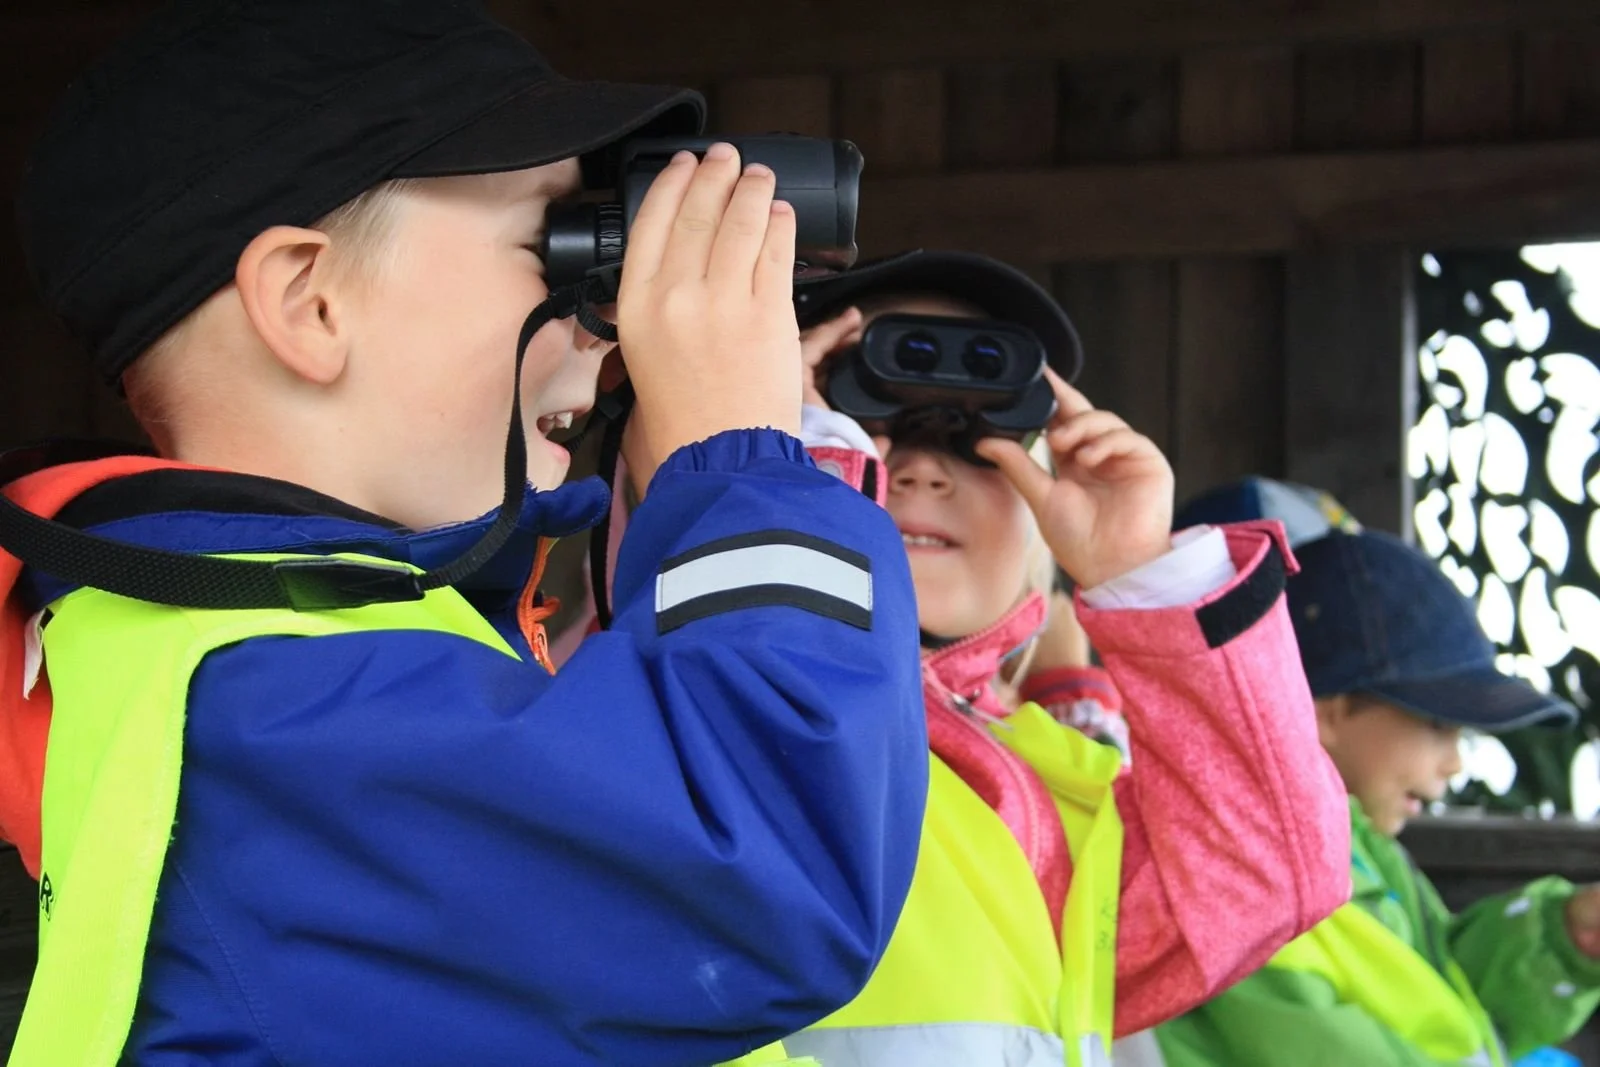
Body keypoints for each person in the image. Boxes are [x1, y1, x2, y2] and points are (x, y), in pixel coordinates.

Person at [0, 3, 930, 1064]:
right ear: (309, 304)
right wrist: (738, 457)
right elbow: (767, 879)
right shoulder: (265, 712)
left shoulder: (266, 657)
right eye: (551, 248)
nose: (602, 318)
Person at [742, 251, 1351, 1065]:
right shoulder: (685, 702)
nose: (921, 467)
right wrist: (777, 471)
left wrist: (1141, 567)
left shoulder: (1046, 786)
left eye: (973, 438)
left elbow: (1267, 878)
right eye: (866, 422)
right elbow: (778, 725)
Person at [1154, 476, 1600, 1067]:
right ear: (1329, 713)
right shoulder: (1235, 866)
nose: (1456, 761)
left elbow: (1449, 992)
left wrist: (1567, 936)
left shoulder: (1366, 847)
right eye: (1439, 726)